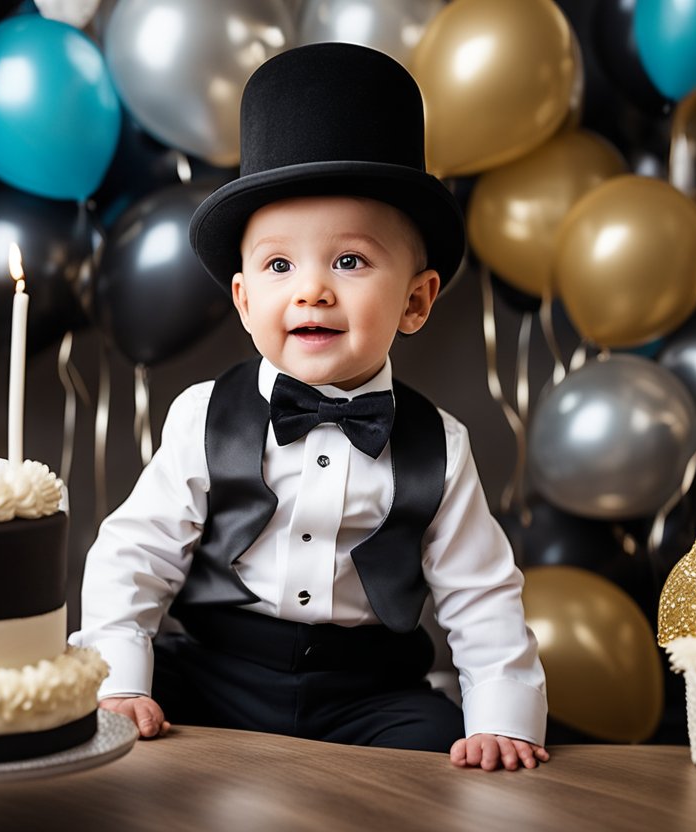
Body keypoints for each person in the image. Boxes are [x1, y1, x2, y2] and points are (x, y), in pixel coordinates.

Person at [69, 43, 549, 772]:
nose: (312, 292)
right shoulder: (203, 416)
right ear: (243, 299)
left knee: (437, 755)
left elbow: (481, 595)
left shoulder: (439, 445)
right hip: (216, 669)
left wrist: (503, 721)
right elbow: (135, 555)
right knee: (114, 728)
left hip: (367, 690)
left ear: (416, 300)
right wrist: (121, 682)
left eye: (349, 261)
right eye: (279, 265)